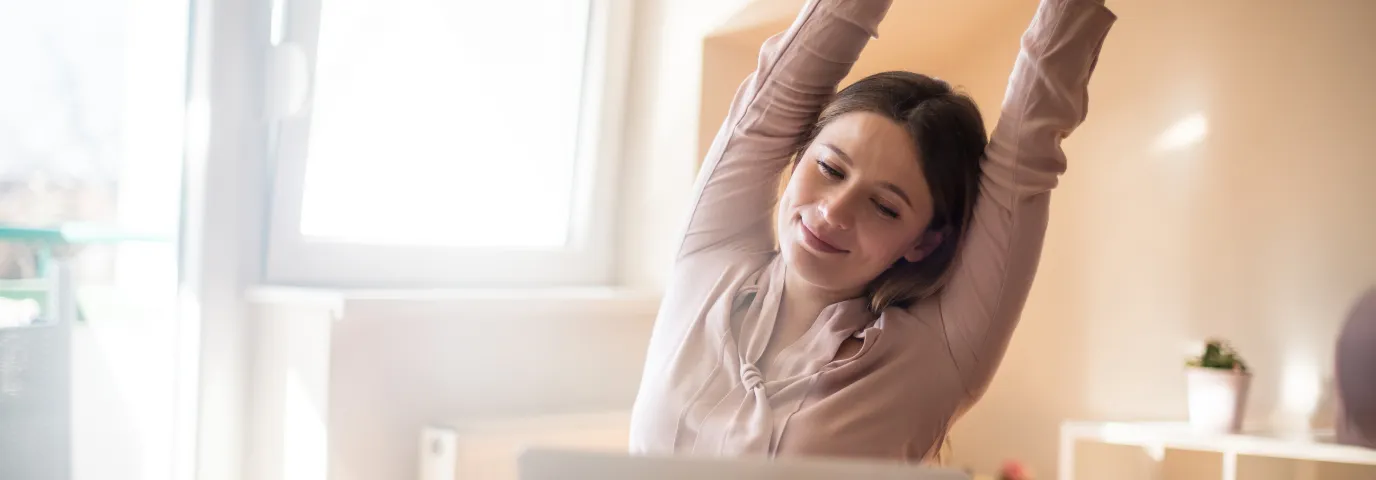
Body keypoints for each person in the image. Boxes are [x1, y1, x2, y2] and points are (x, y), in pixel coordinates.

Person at [629, 0, 1117, 461]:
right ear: (799, 157)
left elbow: (1025, 151)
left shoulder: (939, 353)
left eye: (884, 206)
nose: (833, 213)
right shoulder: (711, 255)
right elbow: (795, 71)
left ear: (925, 240)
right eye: (831, 169)